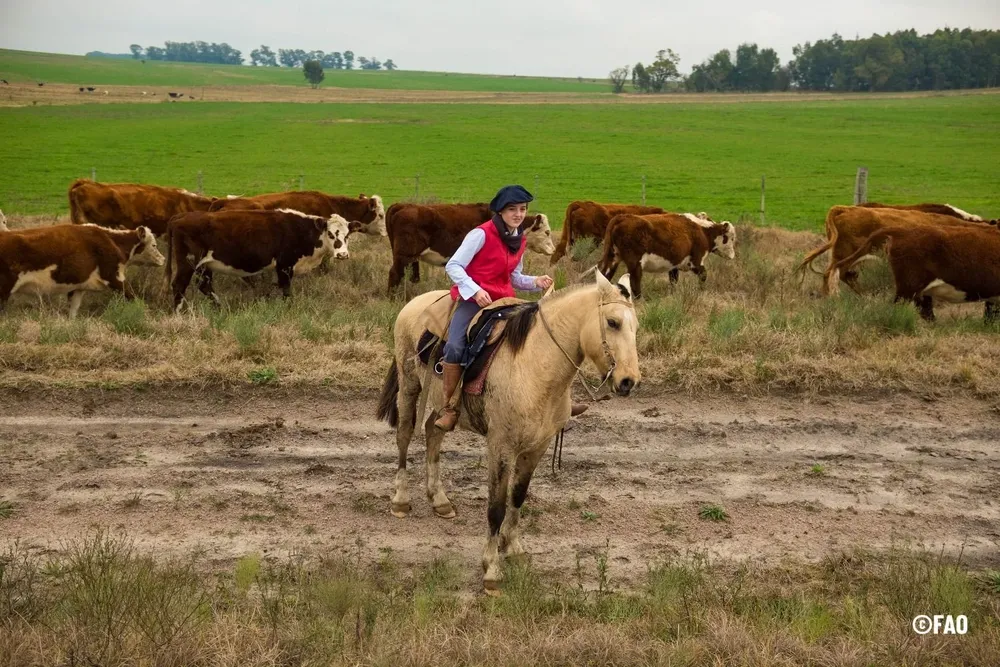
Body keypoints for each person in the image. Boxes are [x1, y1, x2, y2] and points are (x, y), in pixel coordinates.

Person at [436, 185, 585, 432]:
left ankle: (560, 402)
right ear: (500, 211)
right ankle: (450, 408)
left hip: (505, 301)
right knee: (455, 346)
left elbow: (513, 277)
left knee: (545, 337)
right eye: (512, 209)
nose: (518, 214)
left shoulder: (520, 239)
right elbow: (453, 266)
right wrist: (474, 290)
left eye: (522, 209)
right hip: (475, 301)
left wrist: (535, 281)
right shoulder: (480, 235)